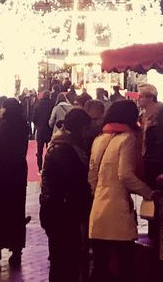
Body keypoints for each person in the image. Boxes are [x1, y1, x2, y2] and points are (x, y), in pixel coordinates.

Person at [88, 98, 153, 282]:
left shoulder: (99, 140)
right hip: (118, 213)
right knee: (125, 267)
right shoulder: (127, 139)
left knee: (100, 267)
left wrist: (99, 193)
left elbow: (92, 176)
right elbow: (125, 175)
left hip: (98, 211)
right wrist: (148, 193)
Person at [40, 107, 93, 282]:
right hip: (61, 211)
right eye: (85, 128)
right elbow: (76, 180)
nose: (87, 133)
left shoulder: (64, 145)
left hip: (57, 209)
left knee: (61, 259)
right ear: (79, 127)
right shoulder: (65, 149)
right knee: (64, 260)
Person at [0, 99, 29, 266]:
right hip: (17, 174)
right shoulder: (24, 125)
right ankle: (16, 252)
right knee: (15, 213)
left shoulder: (5, 125)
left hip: (1, 175)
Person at [136, 83, 163, 186]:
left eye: (140, 96)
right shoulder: (143, 116)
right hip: (147, 161)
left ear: (150, 98)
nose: (138, 99)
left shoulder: (161, 115)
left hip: (158, 162)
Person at [32, 89, 55, 170]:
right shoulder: (52, 105)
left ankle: (39, 168)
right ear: (49, 95)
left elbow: (34, 118)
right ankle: (49, 167)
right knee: (50, 150)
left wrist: (38, 126)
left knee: (39, 150)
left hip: (41, 130)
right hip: (49, 130)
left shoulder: (37, 105)